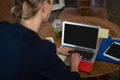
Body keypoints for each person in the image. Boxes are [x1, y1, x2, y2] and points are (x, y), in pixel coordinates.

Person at [0, 0, 82, 80]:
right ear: (44, 6)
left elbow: (20, 48)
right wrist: (74, 66)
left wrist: (57, 49)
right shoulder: (42, 52)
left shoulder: (3, 27)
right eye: (51, 4)